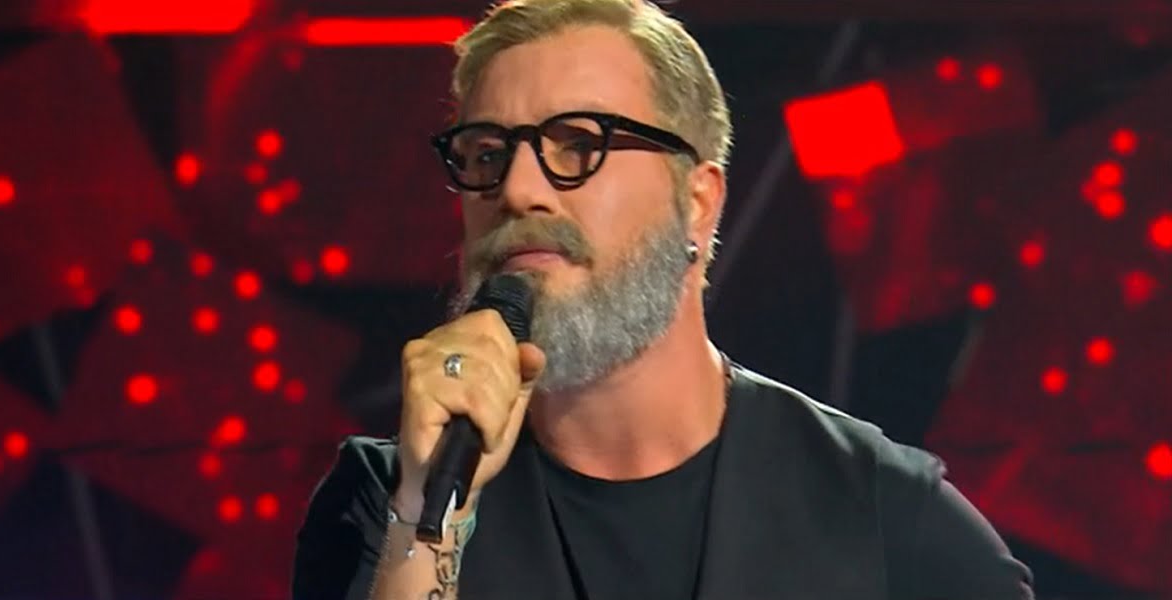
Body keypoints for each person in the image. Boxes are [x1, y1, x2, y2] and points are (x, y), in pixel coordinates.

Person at [292, 1, 1036, 598]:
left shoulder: (876, 509)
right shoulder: (386, 499)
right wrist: (426, 518)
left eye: (578, 143)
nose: (516, 190)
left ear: (698, 202)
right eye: (487, 154)